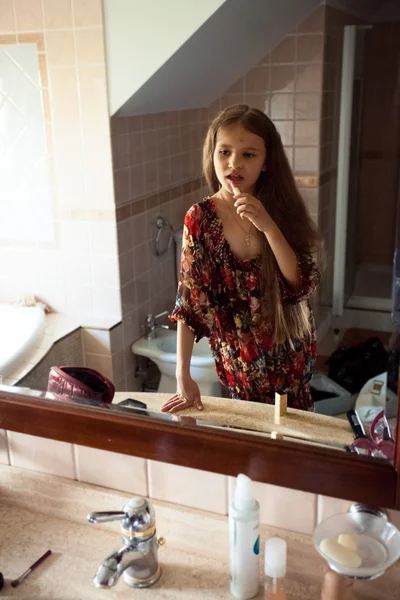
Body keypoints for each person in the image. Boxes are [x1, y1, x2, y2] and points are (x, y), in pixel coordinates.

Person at [161, 104, 322, 414]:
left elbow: (299, 284)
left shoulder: (281, 208)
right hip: (239, 367)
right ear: (213, 154)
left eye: (248, 154)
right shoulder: (200, 219)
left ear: (266, 162)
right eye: (225, 152)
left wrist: (268, 227)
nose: (234, 163)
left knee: (292, 447)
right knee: (248, 449)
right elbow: (190, 300)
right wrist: (183, 373)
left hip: (291, 358)